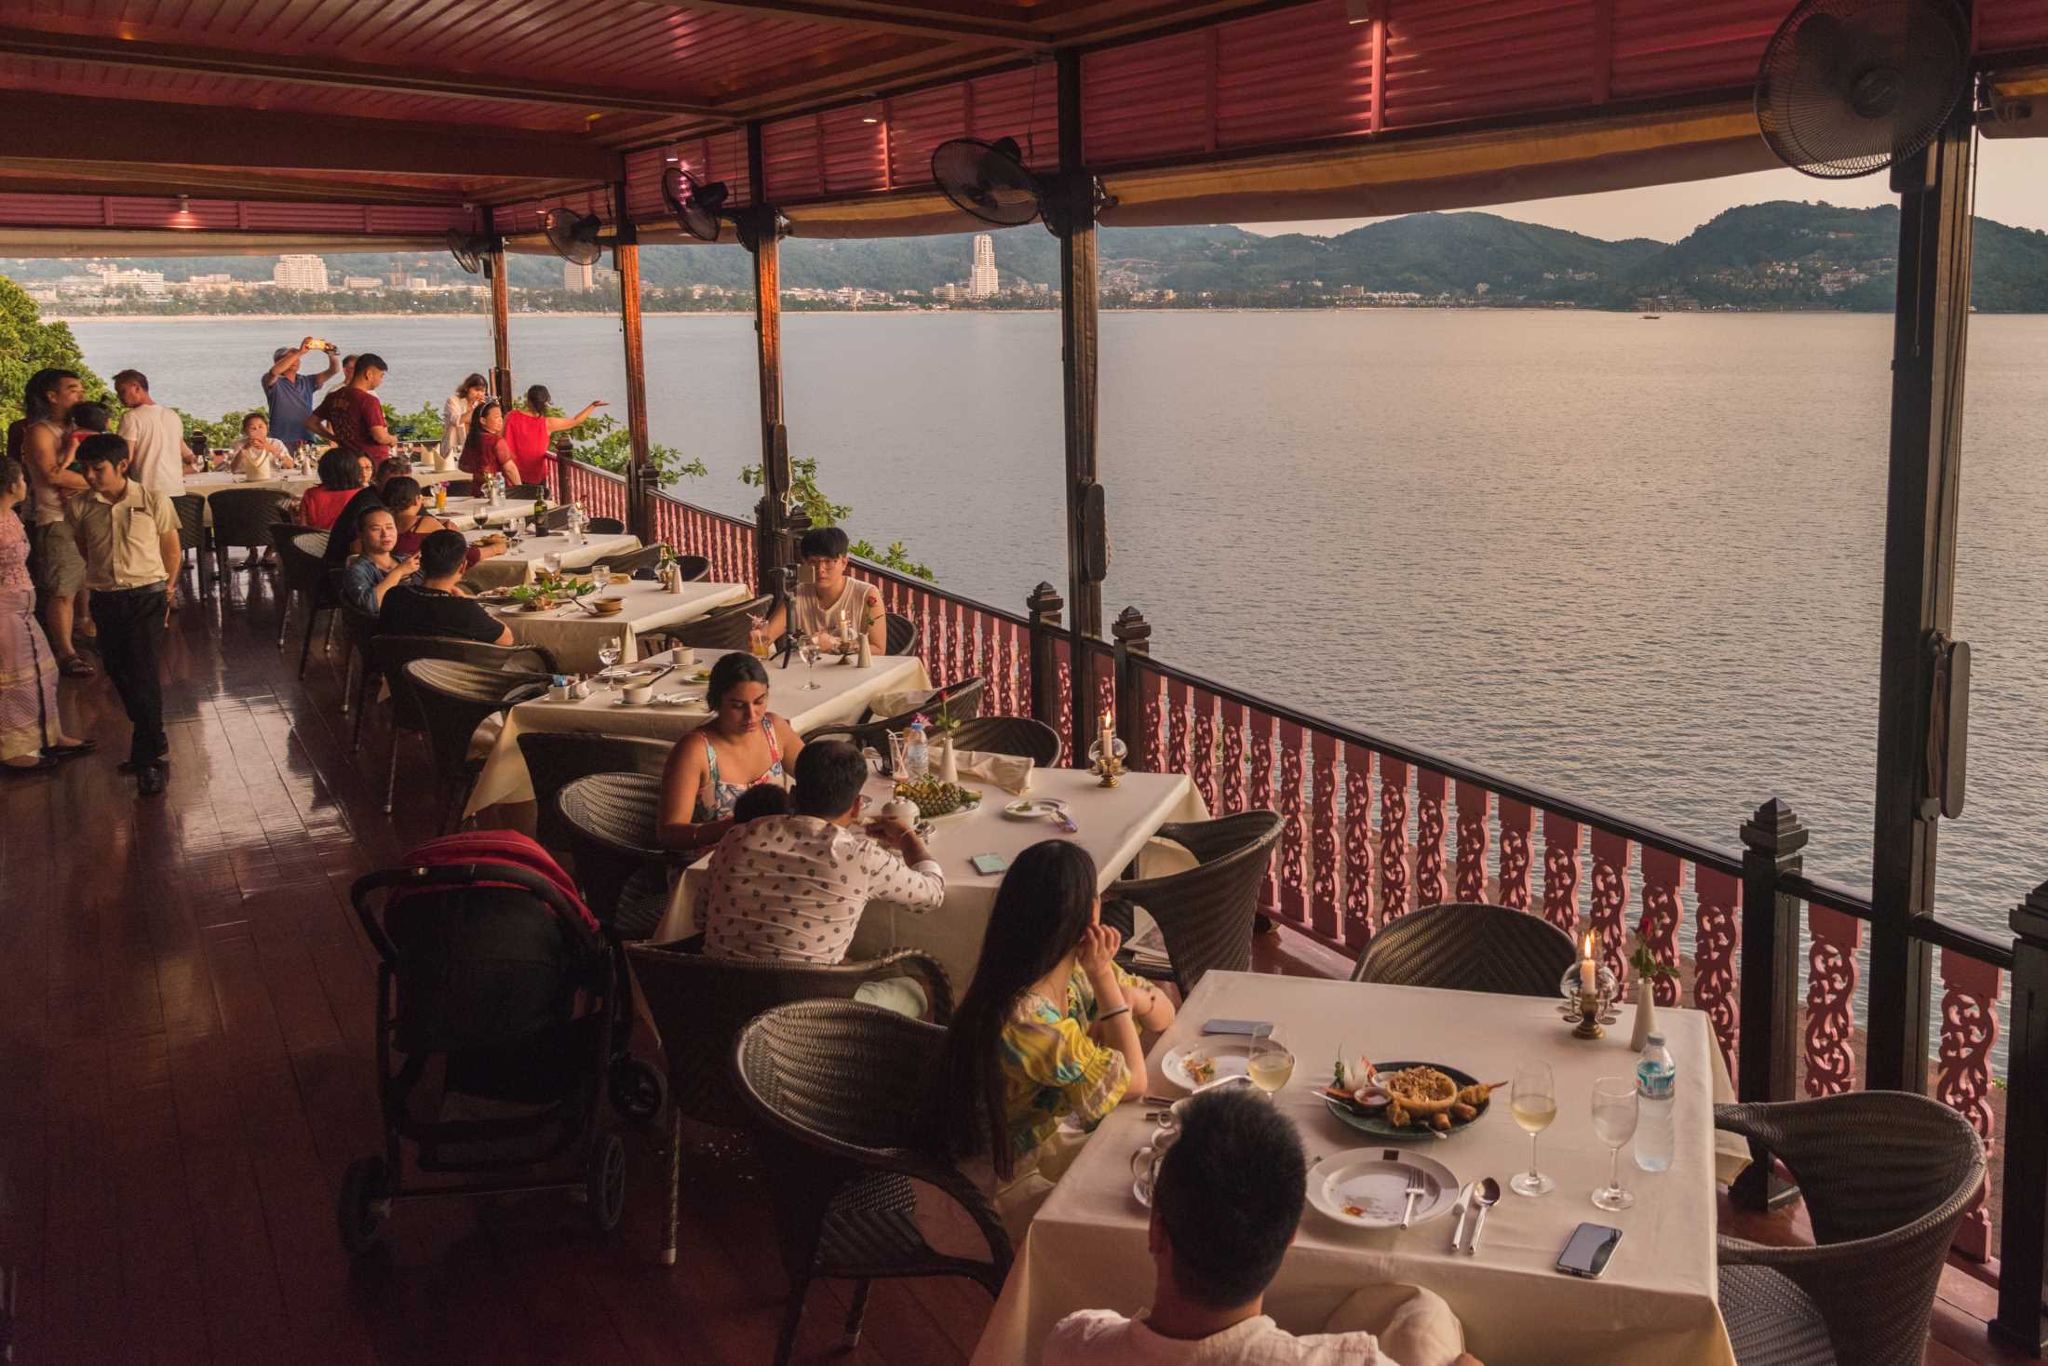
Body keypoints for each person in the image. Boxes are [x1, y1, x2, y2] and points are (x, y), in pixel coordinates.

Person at [1045, 1088, 1478, 1366]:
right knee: (1427, 1314)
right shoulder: (1351, 1362)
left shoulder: (1072, 1344)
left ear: (1156, 1229)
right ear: (1288, 1239)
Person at [916, 840, 1174, 1234]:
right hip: (989, 1193)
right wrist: (1106, 981)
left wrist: (1131, 997)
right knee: (1142, 1210)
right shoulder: (1025, 1019)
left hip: (1041, 1147)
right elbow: (1133, 1083)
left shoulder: (1062, 971)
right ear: (1089, 912)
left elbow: (1163, 1017)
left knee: (1156, 1164)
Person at [696, 739, 945, 979]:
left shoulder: (737, 837)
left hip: (721, 1002)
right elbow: (932, 893)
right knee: (916, 985)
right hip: (811, 1011)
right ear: (857, 806)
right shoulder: (860, 857)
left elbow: (700, 917)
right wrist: (906, 836)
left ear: (792, 796)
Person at [67, 434, 179, 796]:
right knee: (118, 671)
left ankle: (147, 758)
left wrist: (167, 592)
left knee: (143, 672)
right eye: (84, 470)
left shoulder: (151, 500)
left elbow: (171, 550)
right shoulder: (81, 506)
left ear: (122, 466)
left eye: (97, 469)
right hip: (106, 597)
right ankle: (153, 736)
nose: (90, 477)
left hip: (147, 596)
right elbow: (86, 551)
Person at [656, 651, 805, 849]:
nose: (751, 715)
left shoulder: (775, 730)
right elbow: (668, 833)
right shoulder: (695, 750)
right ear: (716, 701)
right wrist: (738, 825)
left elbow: (818, 780)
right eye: (737, 706)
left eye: (759, 702)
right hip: (710, 863)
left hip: (771, 852)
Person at [0, 458, 92, 771]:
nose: (26, 485)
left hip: (22, 608)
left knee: (44, 671)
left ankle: (50, 733)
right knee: (14, 681)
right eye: (23, 480)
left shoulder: (12, 516)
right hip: (5, 611)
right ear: (12, 485)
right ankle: (14, 749)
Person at [10, 368, 93, 678]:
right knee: (62, 587)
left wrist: (87, 480)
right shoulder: (40, 431)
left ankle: (84, 629)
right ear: (52, 395)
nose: (80, 395)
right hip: (56, 518)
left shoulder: (77, 428)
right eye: (73, 389)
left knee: (85, 580)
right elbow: (51, 474)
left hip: (84, 515)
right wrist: (96, 481)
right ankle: (65, 650)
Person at [762, 526, 887, 654]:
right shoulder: (797, 595)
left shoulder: (867, 595)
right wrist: (758, 638)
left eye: (828, 561)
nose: (820, 569)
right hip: (810, 671)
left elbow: (878, 648)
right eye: (813, 562)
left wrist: (836, 645)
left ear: (844, 562)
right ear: (804, 563)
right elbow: (766, 637)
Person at [378, 529, 512, 645]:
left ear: (422, 564)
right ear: (463, 566)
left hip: (401, 672)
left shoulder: (395, 596)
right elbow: (507, 640)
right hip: (457, 674)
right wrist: (465, 600)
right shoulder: (464, 609)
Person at [503, 385, 604, 490]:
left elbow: (500, 439)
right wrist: (592, 406)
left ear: (528, 400)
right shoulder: (546, 423)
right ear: (545, 402)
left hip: (510, 474)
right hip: (535, 476)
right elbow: (575, 421)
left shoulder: (510, 416)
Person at [384, 476, 503, 565]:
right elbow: (463, 554)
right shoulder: (423, 524)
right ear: (416, 500)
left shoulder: (381, 523)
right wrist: (496, 548)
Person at [112, 370, 187, 500]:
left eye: (122, 391)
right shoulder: (172, 415)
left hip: (146, 492)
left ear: (136, 387)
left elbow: (125, 458)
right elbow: (186, 453)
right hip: (176, 490)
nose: (120, 397)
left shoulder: (131, 417)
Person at [308, 352, 395, 462]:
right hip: (372, 461)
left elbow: (311, 423)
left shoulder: (334, 396)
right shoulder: (368, 400)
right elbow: (380, 436)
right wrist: (392, 439)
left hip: (348, 459)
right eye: (381, 375)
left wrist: (335, 438)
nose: (381, 381)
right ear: (369, 374)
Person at [262, 338, 341, 448]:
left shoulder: (307, 381)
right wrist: (300, 352)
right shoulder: (272, 381)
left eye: (296, 358)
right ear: (278, 362)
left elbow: (334, 370)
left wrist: (331, 353)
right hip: (280, 439)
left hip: (306, 437)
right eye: (289, 358)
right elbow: (274, 372)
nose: (294, 360)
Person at [341, 506, 416, 613]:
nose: (385, 534)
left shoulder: (406, 560)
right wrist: (399, 572)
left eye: (390, 527)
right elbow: (371, 604)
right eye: (376, 529)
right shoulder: (356, 571)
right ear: (360, 534)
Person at [300, 447, 369, 531]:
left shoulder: (311, 494)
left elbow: (302, 528)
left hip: (315, 542)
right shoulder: (362, 494)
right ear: (354, 470)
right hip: (348, 543)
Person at [457, 400, 522, 485]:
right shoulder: (496, 441)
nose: (500, 420)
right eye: (496, 417)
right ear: (483, 421)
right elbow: (509, 469)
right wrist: (520, 488)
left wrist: (481, 471)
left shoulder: (473, 438)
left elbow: (463, 466)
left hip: (478, 488)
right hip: (498, 488)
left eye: (501, 416)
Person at [441, 374, 488, 467]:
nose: (479, 394)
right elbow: (457, 420)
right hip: (453, 448)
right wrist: (476, 409)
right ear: (467, 388)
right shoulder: (453, 401)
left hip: (473, 449)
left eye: (482, 391)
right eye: (476, 390)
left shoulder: (480, 405)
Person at [229, 412, 290, 478]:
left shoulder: (276, 443)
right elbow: (231, 469)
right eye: (253, 428)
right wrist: (245, 449)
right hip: (245, 479)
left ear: (267, 428)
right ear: (245, 431)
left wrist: (271, 448)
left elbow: (290, 465)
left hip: (272, 479)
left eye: (261, 427)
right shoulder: (238, 444)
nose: (257, 430)